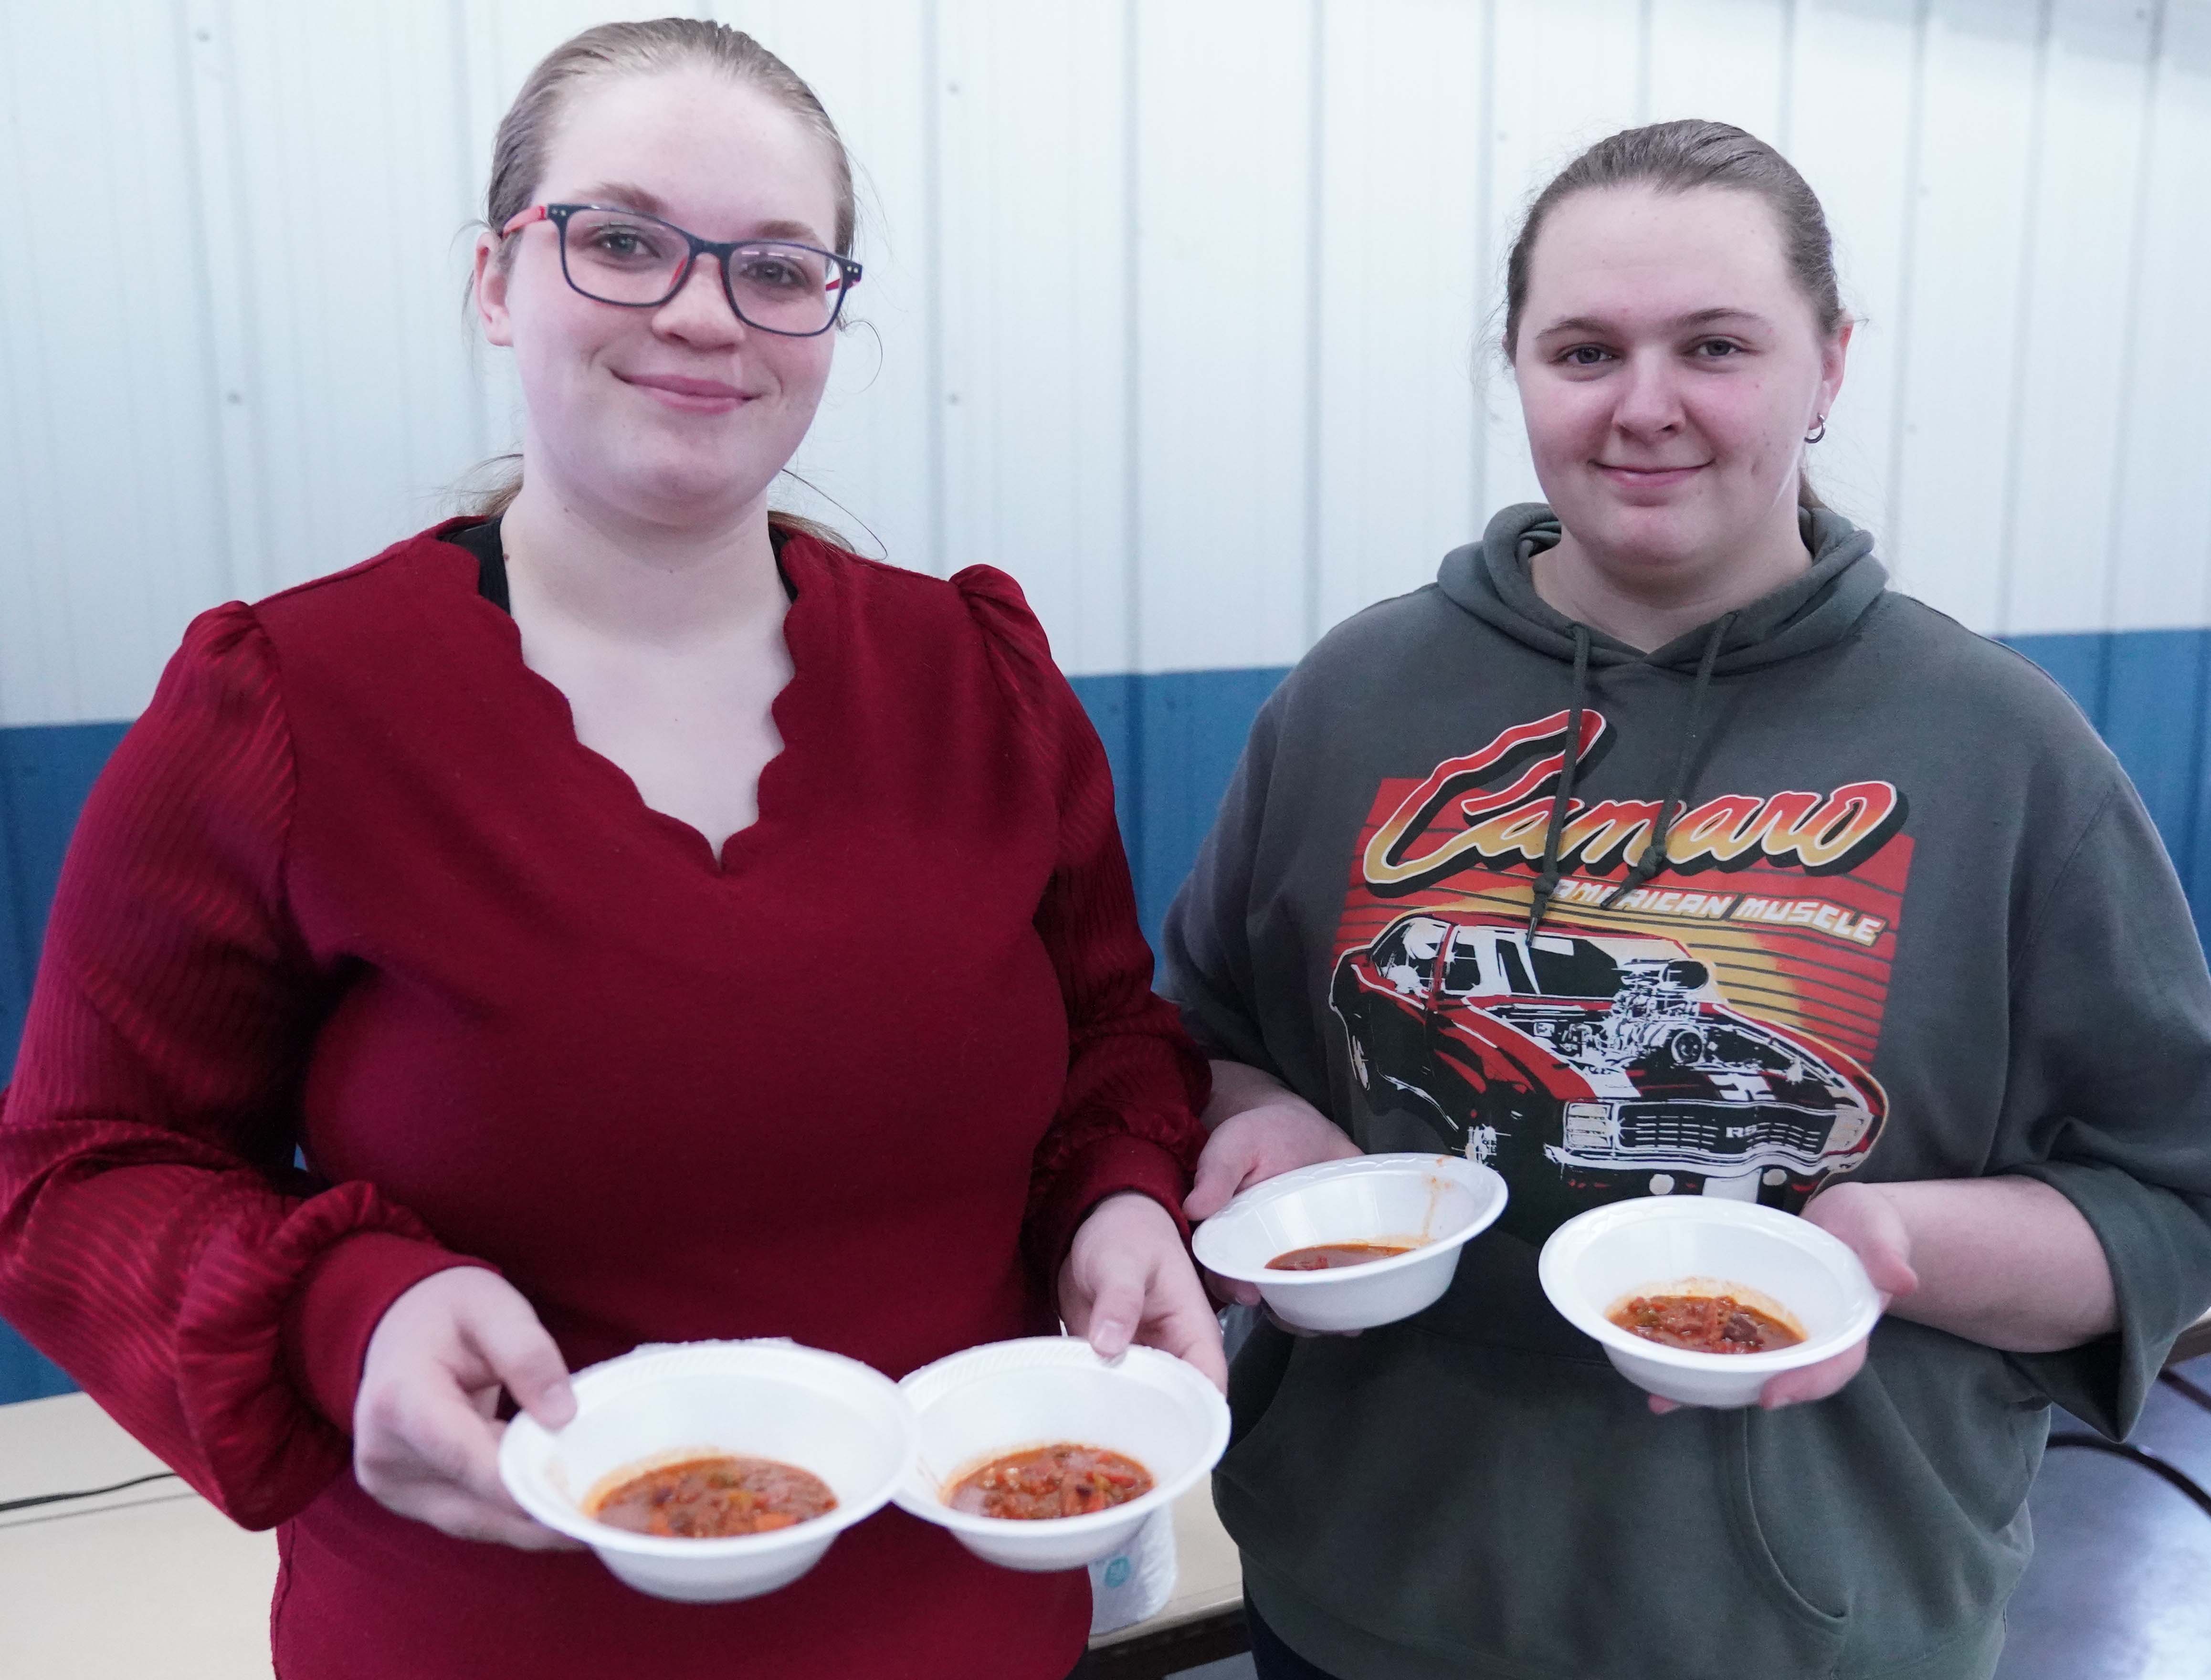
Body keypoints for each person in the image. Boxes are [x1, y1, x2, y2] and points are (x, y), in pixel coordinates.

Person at [0, 21, 1221, 1680]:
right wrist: (342, 1311)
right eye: (625, 238)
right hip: (478, 1626)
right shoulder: (281, 707)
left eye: (778, 267)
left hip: (960, 1622)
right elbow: (74, 1169)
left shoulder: (982, 684)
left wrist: (1123, 1195)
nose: (704, 309)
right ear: (499, 280)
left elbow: (1106, 1046)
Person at [1165, 119, 2211, 1680]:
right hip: (1367, 1596)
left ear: (1830, 366)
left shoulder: (2002, 747)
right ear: (1515, 368)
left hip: (1820, 1632)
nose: (1644, 407)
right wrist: (1253, 1119)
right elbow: (1206, 1027)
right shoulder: (1354, 698)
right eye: (1585, 349)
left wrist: (1897, 1243)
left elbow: (2177, 1198)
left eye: (1715, 346)